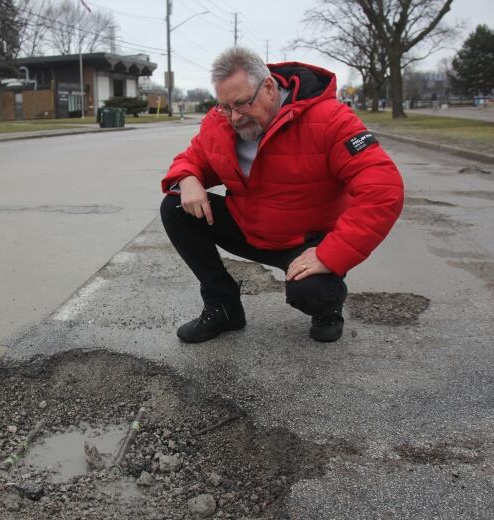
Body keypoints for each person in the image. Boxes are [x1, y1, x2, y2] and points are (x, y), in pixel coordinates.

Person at [160, 47, 404, 344]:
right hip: (249, 227)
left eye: (241, 104)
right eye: (225, 106)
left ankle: (329, 308)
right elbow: (192, 158)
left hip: (305, 242)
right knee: (174, 206)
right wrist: (187, 178)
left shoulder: (331, 119)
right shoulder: (220, 121)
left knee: (312, 294)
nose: (234, 117)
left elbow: (383, 189)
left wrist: (331, 254)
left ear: (269, 88)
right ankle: (223, 305)